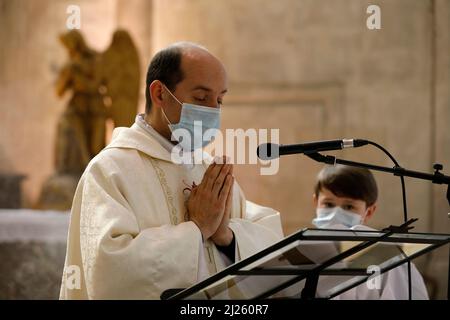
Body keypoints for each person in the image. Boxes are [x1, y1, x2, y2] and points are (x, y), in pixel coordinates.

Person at [59, 42, 284, 299]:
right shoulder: (110, 171)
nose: (213, 110)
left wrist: (227, 237)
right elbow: (108, 270)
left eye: (219, 99)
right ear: (159, 94)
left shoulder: (206, 167)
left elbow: (271, 239)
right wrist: (196, 229)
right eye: (201, 98)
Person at [311, 164, 429, 299]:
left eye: (349, 206)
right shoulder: (300, 250)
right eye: (329, 204)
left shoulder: (386, 256)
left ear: (369, 211)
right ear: (316, 202)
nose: (336, 213)